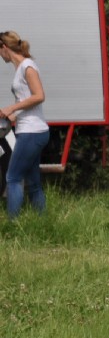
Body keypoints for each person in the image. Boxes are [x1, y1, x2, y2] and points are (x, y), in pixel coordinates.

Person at [0, 31, 48, 218]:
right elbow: (27, 100)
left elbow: (39, 96)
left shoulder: (27, 66)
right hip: (32, 130)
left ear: (4, 47)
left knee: (12, 177)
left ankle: (13, 224)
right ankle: (42, 221)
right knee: (33, 183)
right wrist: (13, 115)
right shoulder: (22, 67)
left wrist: (11, 108)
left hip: (31, 132)